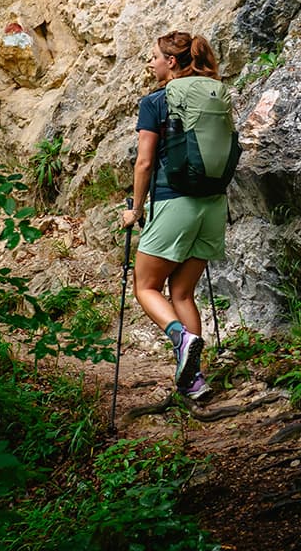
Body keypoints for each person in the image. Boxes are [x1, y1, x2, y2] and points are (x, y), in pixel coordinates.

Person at [120, 31, 229, 401]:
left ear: (171, 62)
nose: (150, 63)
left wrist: (135, 210)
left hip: (173, 203)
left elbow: (144, 162)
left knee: (146, 286)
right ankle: (193, 382)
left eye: (154, 57)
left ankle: (181, 338)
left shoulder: (155, 101)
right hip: (213, 205)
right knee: (182, 293)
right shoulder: (214, 93)